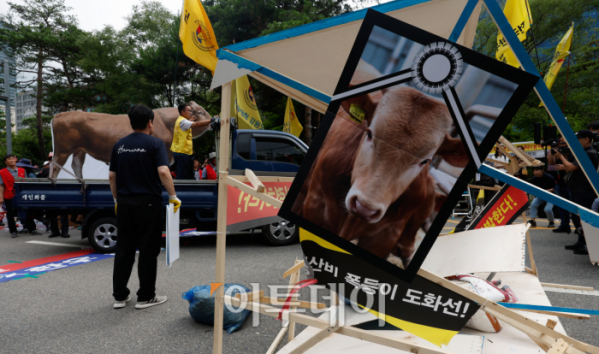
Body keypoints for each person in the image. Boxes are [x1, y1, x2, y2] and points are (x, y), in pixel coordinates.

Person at [109, 104, 181, 310]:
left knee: (124, 250)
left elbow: (112, 176)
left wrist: (116, 200)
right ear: (150, 122)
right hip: (149, 204)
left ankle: (120, 296)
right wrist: (173, 196)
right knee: (148, 251)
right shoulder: (155, 144)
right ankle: (146, 296)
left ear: (131, 122)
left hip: (124, 204)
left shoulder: (119, 146)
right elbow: (164, 172)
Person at [552, 130, 599, 255]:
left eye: (578, 139)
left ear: (587, 139)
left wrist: (561, 157)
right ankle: (581, 241)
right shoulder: (584, 152)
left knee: (584, 218)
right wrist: (565, 156)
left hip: (584, 190)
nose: (576, 142)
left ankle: (587, 244)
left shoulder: (589, 153)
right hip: (578, 189)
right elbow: (570, 166)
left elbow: (570, 168)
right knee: (578, 217)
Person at [172, 103, 211, 180]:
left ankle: (186, 190)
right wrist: (211, 120)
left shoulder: (182, 121)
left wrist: (190, 121)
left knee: (188, 174)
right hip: (181, 152)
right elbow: (197, 124)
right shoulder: (182, 121)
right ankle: (180, 191)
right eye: (189, 111)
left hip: (183, 152)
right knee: (183, 176)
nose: (191, 112)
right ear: (182, 112)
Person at [547, 136, 572, 233]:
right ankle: (564, 224)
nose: (562, 143)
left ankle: (579, 226)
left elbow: (572, 165)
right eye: (560, 141)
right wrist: (552, 149)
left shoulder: (571, 150)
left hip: (570, 181)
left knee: (573, 204)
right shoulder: (557, 150)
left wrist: (563, 165)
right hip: (559, 180)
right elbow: (551, 162)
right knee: (561, 204)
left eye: (564, 141)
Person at [0, 154, 26, 238]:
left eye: (13, 159)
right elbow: (1, 185)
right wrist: (1, 197)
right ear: (5, 162)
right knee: (10, 213)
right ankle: (13, 231)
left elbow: (27, 182)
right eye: (9, 159)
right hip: (9, 195)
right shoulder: (2, 172)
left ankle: (30, 227)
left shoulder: (22, 170)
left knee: (25, 211)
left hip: (22, 195)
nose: (12, 160)